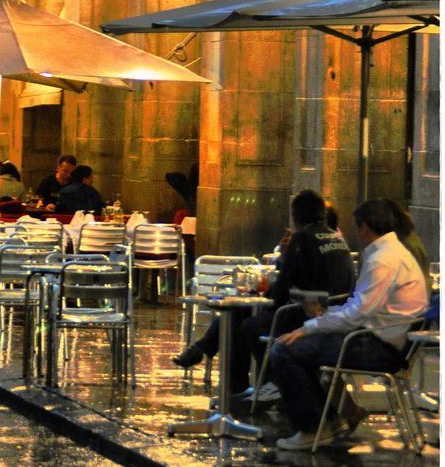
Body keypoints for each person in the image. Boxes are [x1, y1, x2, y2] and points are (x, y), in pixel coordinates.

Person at [268, 198, 429, 451]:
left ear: (364, 227)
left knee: (284, 350)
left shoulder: (383, 260)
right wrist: (323, 315)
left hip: (379, 346)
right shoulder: (394, 253)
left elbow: (356, 315)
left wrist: (309, 326)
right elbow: (360, 308)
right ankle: (332, 420)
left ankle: (314, 428)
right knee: (301, 345)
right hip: (385, 338)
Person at [173, 188, 355, 400]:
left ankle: (268, 382)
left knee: (248, 323)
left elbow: (282, 289)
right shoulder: (337, 239)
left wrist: (280, 267)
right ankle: (231, 378)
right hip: (331, 309)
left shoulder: (302, 238)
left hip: (306, 313)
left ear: (295, 216)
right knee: (238, 315)